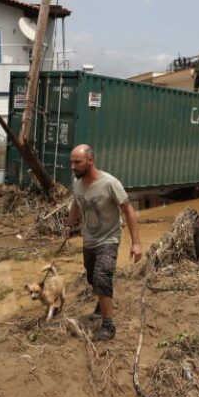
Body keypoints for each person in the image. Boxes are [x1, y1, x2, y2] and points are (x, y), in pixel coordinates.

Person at [64, 145, 142, 341]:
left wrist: (136, 243)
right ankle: (101, 302)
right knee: (92, 278)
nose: (73, 166)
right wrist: (68, 224)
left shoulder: (110, 183)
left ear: (90, 161)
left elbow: (128, 211)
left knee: (101, 276)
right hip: (89, 238)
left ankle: (108, 326)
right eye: (72, 162)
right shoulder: (77, 182)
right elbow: (76, 202)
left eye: (77, 162)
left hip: (109, 238)